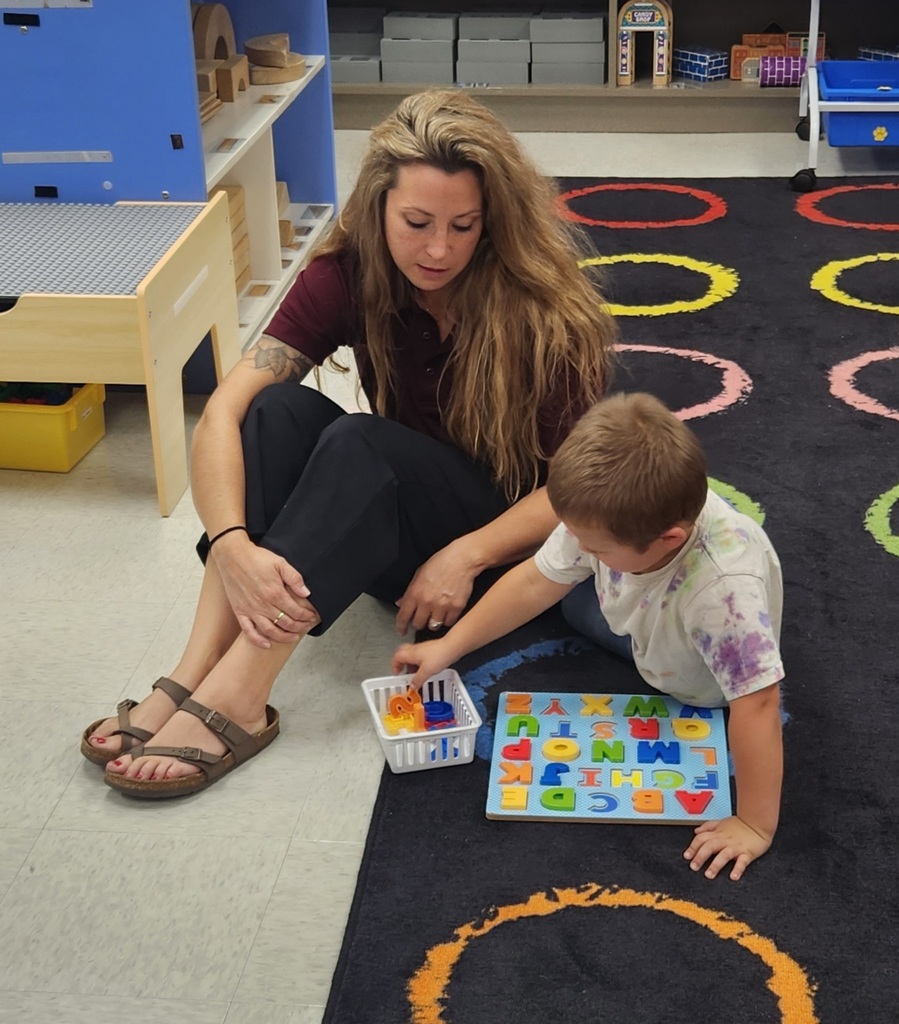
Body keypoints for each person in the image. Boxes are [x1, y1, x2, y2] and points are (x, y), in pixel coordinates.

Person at [80, 88, 618, 798]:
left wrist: (464, 555)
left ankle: (242, 693)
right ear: (377, 209)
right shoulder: (347, 275)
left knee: (361, 441)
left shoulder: (545, 308)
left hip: (492, 563)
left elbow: (577, 493)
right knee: (270, 411)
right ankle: (193, 672)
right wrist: (233, 542)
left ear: (493, 223)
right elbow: (222, 414)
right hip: (390, 530)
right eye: (416, 222)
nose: (437, 249)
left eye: (463, 227)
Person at [393, 392, 784, 882]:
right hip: (647, 620)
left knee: (728, 675)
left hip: (700, 677)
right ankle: (615, 593)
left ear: (669, 539)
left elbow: (759, 703)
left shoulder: (722, 596)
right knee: (563, 594)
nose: (578, 545)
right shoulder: (605, 517)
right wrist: (448, 647)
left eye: (593, 545)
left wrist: (753, 822)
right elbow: (536, 579)